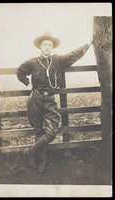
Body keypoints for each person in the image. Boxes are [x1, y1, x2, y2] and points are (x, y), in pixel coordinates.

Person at [17, 31, 93, 173]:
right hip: (35, 98)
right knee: (38, 130)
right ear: (40, 46)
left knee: (51, 131)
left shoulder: (58, 60)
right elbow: (20, 72)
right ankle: (40, 162)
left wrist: (88, 44)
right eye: (45, 45)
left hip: (50, 99)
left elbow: (73, 55)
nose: (47, 47)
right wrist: (29, 85)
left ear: (52, 47)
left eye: (49, 45)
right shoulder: (32, 62)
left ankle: (30, 152)